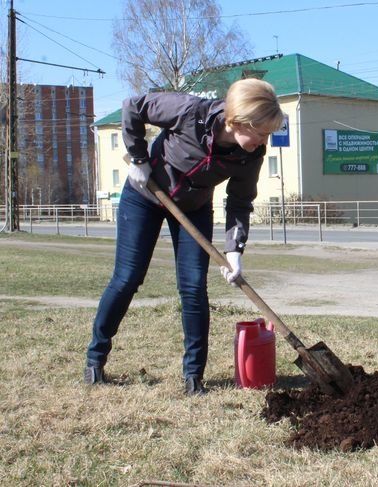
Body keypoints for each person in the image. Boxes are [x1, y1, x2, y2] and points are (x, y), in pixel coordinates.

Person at [84, 78, 284, 395]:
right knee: (127, 278)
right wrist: (138, 158)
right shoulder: (192, 112)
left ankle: (194, 377)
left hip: (194, 208)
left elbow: (240, 202)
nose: (264, 141)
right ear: (237, 121)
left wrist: (234, 251)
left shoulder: (251, 155)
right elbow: (133, 107)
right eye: (260, 132)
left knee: (192, 287)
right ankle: (95, 360)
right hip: (146, 194)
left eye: (267, 134)